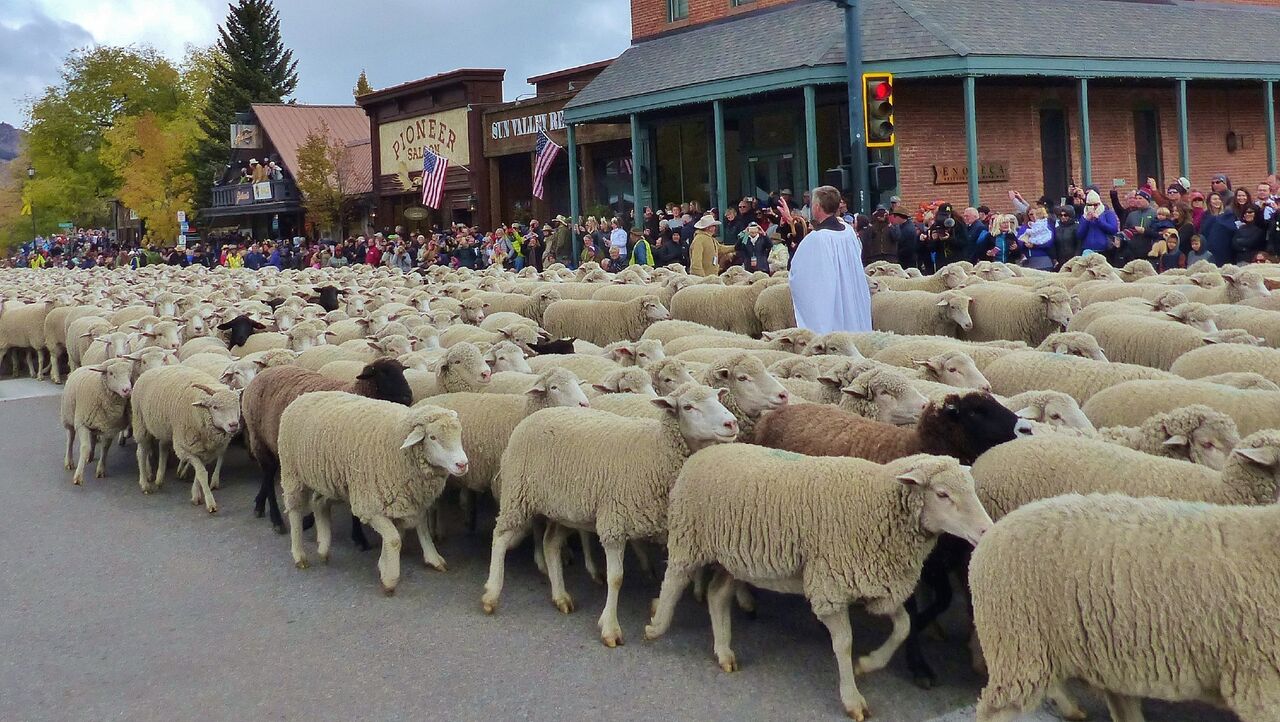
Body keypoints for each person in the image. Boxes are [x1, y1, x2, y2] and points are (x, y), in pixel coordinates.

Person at [789, 185, 872, 333]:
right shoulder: (848, 231)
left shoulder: (818, 238)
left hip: (833, 304)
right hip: (851, 298)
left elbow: (800, 272)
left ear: (817, 207)